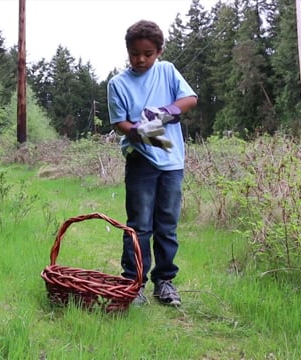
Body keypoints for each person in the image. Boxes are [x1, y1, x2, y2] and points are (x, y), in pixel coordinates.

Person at [107, 19, 198, 306]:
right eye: (135, 53)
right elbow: (119, 122)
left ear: (159, 51)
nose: (141, 59)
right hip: (141, 161)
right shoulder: (117, 84)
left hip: (172, 163)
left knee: (167, 225)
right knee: (139, 225)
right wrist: (138, 131)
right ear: (128, 51)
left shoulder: (168, 71)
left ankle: (165, 282)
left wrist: (167, 112)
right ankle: (134, 284)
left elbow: (190, 98)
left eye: (148, 53)